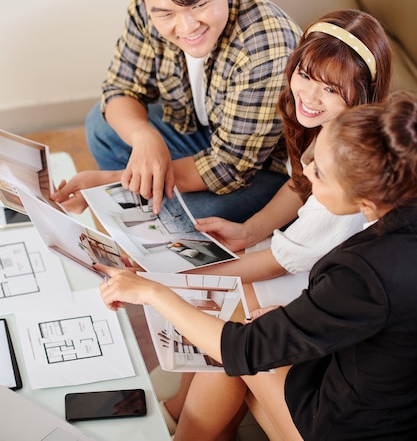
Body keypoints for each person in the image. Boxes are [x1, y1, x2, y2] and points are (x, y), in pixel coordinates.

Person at [97, 90, 417, 440]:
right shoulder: (397, 229)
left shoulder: (363, 273)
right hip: (386, 395)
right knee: (249, 324)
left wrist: (152, 291)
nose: (307, 172)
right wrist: (297, 319)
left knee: (233, 334)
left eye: (321, 174)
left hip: (350, 425)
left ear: (367, 203)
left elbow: (240, 348)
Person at [82, 0, 301, 220]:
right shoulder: (148, 10)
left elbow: (230, 167)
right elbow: (121, 88)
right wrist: (145, 139)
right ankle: (146, 199)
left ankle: (144, 199)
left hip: (259, 166)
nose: (186, 26)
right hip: (199, 131)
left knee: (194, 214)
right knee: (101, 124)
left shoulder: (267, 48)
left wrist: (115, 180)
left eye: (198, 5)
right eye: (166, 14)